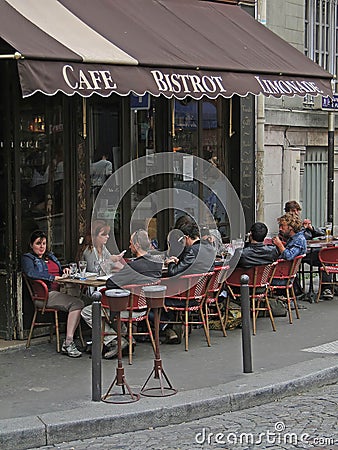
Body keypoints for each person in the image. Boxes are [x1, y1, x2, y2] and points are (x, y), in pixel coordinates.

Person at [81, 229, 162, 359]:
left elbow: (111, 284)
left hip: (130, 309)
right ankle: (126, 336)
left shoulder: (134, 266)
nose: (129, 246)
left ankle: (115, 340)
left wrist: (122, 276)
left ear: (137, 245)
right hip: (146, 307)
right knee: (113, 307)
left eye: (131, 243)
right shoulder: (157, 263)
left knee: (88, 311)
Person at [21, 230, 84, 358]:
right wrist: (52, 278)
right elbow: (31, 273)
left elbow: (58, 270)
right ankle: (68, 342)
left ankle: (102, 339)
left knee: (88, 300)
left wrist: (63, 270)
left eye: (44, 243)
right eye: (38, 243)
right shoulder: (28, 258)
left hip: (61, 290)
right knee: (77, 303)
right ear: (31, 244)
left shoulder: (50, 256)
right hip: (45, 295)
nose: (42, 246)